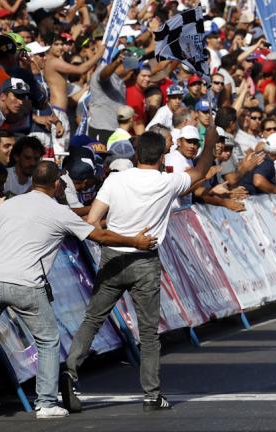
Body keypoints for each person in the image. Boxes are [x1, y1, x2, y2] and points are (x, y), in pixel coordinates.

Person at [0, 161, 157, 419]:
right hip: (27, 285)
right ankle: (46, 404)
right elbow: (100, 237)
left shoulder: (10, 204)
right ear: (56, 185)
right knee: (48, 341)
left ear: (32, 181)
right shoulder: (59, 211)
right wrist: (135, 241)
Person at [62, 127, 218, 413]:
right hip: (144, 260)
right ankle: (151, 394)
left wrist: (115, 232)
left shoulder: (115, 179)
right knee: (148, 333)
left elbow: (93, 220)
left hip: (112, 256)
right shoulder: (167, 182)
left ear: (136, 153)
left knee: (93, 319)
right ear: (161, 157)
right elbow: (203, 170)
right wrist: (209, 143)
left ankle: (70, 370)